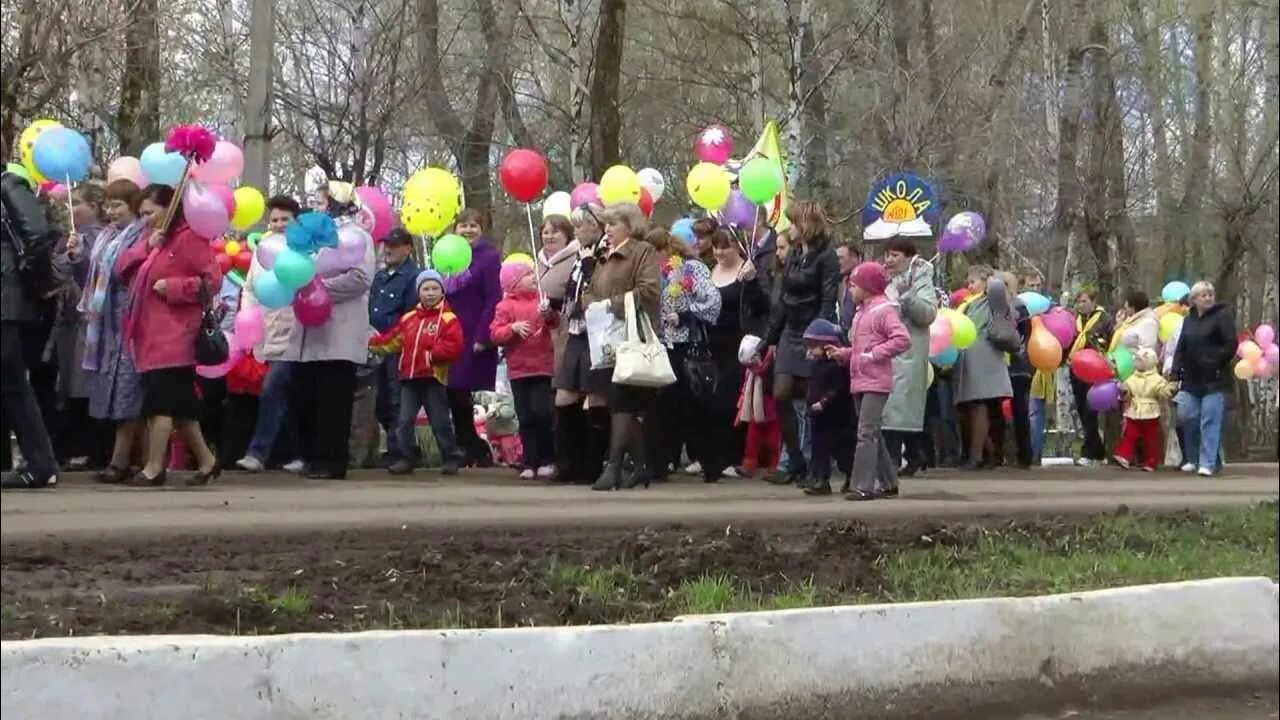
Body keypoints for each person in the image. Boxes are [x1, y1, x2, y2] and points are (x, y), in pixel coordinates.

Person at [113, 184, 221, 486]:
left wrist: (175, 287)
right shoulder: (152, 238)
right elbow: (121, 267)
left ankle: (154, 466)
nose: (146, 218)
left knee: (159, 403)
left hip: (175, 334)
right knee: (182, 407)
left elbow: (212, 281)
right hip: (147, 333)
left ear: (169, 207)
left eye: (151, 212)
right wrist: (147, 247)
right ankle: (207, 461)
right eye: (143, 214)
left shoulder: (191, 238)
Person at [287, 185, 376, 480]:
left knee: (333, 399)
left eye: (323, 201)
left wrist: (319, 290)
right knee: (306, 397)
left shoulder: (356, 236)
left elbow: (360, 278)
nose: (316, 206)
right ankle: (312, 456)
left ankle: (332, 461)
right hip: (309, 332)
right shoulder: (313, 238)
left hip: (340, 331)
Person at [764, 200, 840, 485]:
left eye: (794, 223)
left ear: (807, 225)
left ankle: (813, 462)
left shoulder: (826, 257)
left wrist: (818, 339)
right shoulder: (795, 254)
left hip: (812, 329)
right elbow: (782, 298)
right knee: (781, 393)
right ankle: (794, 456)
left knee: (810, 399)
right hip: (790, 330)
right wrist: (770, 337)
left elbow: (827, 298)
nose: (790, 228)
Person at [588, 203, 661, 491]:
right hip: (607, 339)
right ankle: (641, 466)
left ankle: (614, 466)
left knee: (622, 401)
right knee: (621, 404)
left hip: (632, 336)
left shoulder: (643, 251)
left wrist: (612, 305)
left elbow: (649, 290)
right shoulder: (604, 257)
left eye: (612, 224)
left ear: (629, 226)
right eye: (605, 225)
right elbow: (591, 290)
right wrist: (591, 305)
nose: (606, 230)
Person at [80, 179, 148, 483]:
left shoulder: (141, 236)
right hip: (106, 326)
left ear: (132, 206)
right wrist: (76, 257)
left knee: (127, 393)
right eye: (108, 204)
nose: (110, 211)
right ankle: (144, 461)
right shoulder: (106, 236)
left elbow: (125, 272)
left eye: (117, 204)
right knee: (119, 393)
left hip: (131, 322)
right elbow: (92, 279)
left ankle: (119, 461)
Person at [370, 269, 465, 476]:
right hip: (409, 377)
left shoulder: (448, 318)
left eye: (434, 288)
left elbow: (454, 346)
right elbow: (394, 340)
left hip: (433, 377)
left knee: (439, 420)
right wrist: (373, 344)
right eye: (425, 289)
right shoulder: (409, 318)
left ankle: (450, 456)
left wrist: (433, 355)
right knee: (404, 420)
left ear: (442, 291)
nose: (430, 293)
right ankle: (406, 456)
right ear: (418, 292)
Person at [0, 167, 61, 489]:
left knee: (12, 382)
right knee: (9, 382)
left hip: (6, 297)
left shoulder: (10, 185)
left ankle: (40, 464)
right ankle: (38, 463)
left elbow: (37, 235)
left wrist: (32, 280)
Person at [645, 227, 721, 481]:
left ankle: (710, 462)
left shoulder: (692, 268)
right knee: (662, 406)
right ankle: (658, 463)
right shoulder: (653, 272)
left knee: (696, 406)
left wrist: (687, 314)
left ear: (665, 250)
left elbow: (712, 300)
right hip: (661, 345)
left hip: (688, 345)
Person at [829, 262, 910, 501]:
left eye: (854, 285)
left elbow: (902, 339)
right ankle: (888, 482)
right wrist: (845, 354)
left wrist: (874, 354)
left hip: (875, 381)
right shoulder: (862, 312)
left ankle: (863, 485)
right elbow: (860, 347)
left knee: (866, 433)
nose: (851, 290)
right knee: (872, 432)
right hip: (861, 379)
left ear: (867, 286)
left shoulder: (883, 310)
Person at [235, 195, 305, 473]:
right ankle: (296, 453)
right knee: (282, 395)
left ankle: (258, 452)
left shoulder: (304, 249)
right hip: (266, 330)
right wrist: (248, 324)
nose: (278, 224)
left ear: (295, 221)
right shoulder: (262, 248)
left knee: (273, 390)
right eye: (274, 219)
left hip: (296, 331)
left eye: (284, 219)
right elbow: (251, 288)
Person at [549, 205, 610, 485]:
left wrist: (588, 265)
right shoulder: (579, 254)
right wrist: (552, 306)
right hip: (575, 332)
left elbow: (600, 287)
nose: (576, 231)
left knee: (596, 396)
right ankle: (567, 462)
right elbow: (574, 292)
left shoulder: (604, 252)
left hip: (597, 333)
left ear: (595, 226)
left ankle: (593, 463)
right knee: (564, 396)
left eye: (580, 225)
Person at [47, 184, 106, 469]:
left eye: (79, 203)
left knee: (84, 385)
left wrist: (79, 256)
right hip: (67, 321)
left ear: (95, 207)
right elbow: (57, 274)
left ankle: (88, 445)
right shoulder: (67, 239)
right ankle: (69, 444)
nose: (73, 209)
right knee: (66, 386)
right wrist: (67, 256)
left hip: (90, 322)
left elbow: (94, 277)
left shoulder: (100, 238)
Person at [442, 208, 503, 467]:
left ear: (482, 229)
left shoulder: (489, 258)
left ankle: (474, 446)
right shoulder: (446, 255)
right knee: (452, 390)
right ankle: (468, 444)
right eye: (462, 225)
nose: (467, 230)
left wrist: (484, 335)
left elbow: (494, 297)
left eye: (473, 226)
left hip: (475, 329)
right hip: (449, 331)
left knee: (462, 388)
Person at [707, 224, 767, 481]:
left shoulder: (748, 270)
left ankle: (732, 457)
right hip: (711, 345)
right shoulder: (710, 270)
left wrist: (751, 283)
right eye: (716, 246)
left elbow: (762, 305)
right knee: (712, 402)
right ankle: (711, 456)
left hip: (738, 345)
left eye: (725, 246)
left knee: (731, 402)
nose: (720, 252)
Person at [490, 260, 555, 479]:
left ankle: (547, 458)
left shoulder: (542, 300)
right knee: (525, 416)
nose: (533, 278)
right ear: (514, 281)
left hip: (542, 366)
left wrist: (549, 315)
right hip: (519, 370)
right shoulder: (504, 306)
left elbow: (554, 324)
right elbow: (496, 333)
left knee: (542, 413)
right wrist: (512, 328)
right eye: (528, 275)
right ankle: (530, 461)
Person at [879, 237, 937, 476]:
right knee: (894, 409)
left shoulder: (922, 279)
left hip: (908, 351)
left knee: (898, 407)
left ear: (908, 257)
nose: (889, 260)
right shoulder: (884, 279)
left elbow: (928, 314)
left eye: (895, 255)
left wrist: (907, 296)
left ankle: (893, 461)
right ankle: (913, 454)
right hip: (886, 350)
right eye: (887, 255)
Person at [952, 267, 1018, 470]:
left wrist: (992, 278)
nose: (969, 286)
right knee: (973, 409)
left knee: (979, 406)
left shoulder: (992, 298)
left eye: (974, 281)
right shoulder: (970, 304)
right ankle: (988, 454)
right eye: (968, 282)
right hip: (970, 360)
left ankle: (976, 456)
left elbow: (998, 288)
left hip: (984, 360)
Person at [1170, 281, 1235, 476]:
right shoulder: (1189, 319)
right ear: (1194, 299)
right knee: (1187, 417)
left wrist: (1214, 360)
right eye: (1203, 295)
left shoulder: (1222, 316)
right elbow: (1181, 347)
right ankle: (1197, 458)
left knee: (1209, 420)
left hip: (1214, 379)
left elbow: (1231, 343)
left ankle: (1206, 463)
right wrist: (1175, 371)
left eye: (1210, 294)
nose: (1208, 298)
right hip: (1191, 378)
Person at [368, 228, 421, 464]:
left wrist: (396, 340)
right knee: (380, 400)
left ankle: (404, 451)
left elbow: (412, 315)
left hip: (399, 347)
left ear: (408, 248)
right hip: (376, 345)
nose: (388, 249)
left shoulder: (414, 277)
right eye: (386, 245)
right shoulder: (379, 277)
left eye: (395, 245)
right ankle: (392, 447)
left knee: (397, 399)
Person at [799, 319, 852, 496]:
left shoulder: (835, 367)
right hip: (818, 416)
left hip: (835, 416)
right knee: (819, 450)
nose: (810, 351)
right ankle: (821, 479)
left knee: (843, 449)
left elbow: (837, 389)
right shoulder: (816, 366)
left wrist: (823, 402)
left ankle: (850, 476)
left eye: (814, 346)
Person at [1068, 288, 1114, 466]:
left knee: (1090, 410)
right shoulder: (1075, 320)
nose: (1081, 305)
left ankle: (1088, 452)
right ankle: (1098, 450)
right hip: (1076, 368)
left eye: (1084, 301)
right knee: (1081, 410)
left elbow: (1110, 340)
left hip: (1094, 369)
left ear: (1094, 302)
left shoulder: (1104, 319)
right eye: (1078, 302)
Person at [1114, 348, 1176, 471]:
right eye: (1136, 360)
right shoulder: (1132, 377)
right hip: (1134, 411)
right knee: (1129, 434)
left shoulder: (1157, 379)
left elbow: (1161, 392)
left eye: (1140, 360)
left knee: (1151, 438)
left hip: (1151, 412)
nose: (1137, 363)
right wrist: (1124, 391)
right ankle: (1123, 456)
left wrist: (1169, 389)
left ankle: (1151, 462)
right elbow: (1127, 392)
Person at [537, 215, 580, 375]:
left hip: (564, 327)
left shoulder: (575, 259)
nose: (549, 236)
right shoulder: (539, 262)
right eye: (545, 232)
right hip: (539, 330)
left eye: (555, 232)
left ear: (567, 235)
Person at [736, 338, 779, 478]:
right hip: (755, 408)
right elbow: (745, 390)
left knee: (774, 439)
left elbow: (773, 385)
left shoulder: (771, 366)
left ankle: (775, 464)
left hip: (771, 408)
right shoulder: (750, 373)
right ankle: (749, 464)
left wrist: (762, 371)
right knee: (752, 438)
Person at [834, 240, 862, 332]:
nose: (837, 262)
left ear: (855, 258)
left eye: (841, 258)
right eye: (836, 259)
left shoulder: (865, 281)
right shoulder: (842, 281)